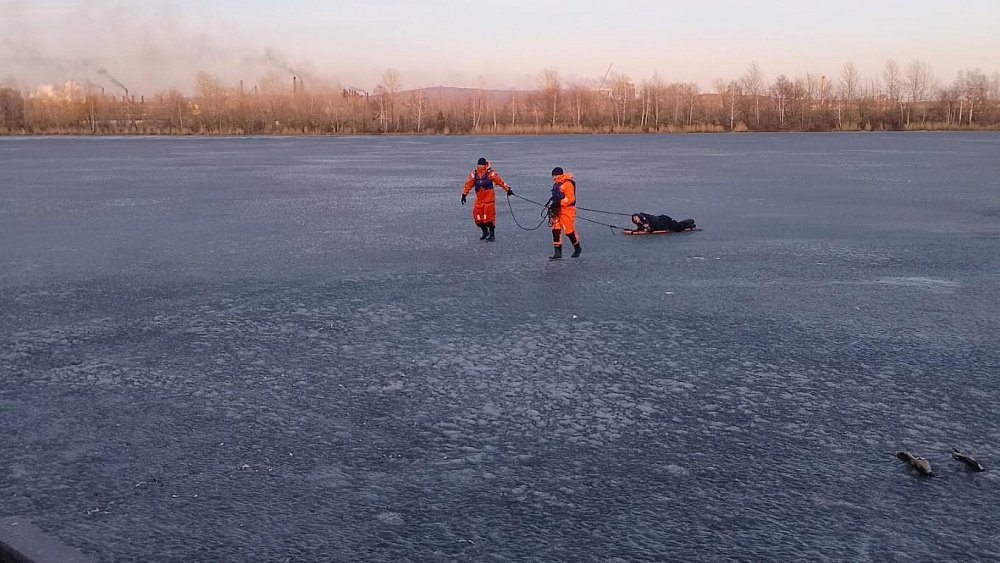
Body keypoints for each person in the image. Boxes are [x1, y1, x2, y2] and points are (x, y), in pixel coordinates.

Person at [462, 157, 513, 242]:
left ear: (485, 165)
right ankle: (485, 232)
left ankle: (492, 235)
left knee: (489, 219)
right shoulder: (474, 175)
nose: (480, 166)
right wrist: (464, 194)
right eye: (479, 165)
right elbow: (468, 184)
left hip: (489, 200)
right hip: (479, 200)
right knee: (478, 219)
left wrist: (508, 189)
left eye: (481, 165)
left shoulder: (490, 174)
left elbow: (500, 181)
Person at [546, 167, 581, 260]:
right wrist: (553, 205)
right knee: (555, 230)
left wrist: (560, 203)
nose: (554, 177)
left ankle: (577, 248)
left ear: (561, 174)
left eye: (555, 175)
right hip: (557, 210)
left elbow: (571, 198)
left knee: (569, 231)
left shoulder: (568, 184)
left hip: (568, 210)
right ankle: (557, 253)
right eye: (553, 175)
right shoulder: (557, 184)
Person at [630, 212, 697, 233]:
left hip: (665, 220)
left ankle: (690, 223)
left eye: (636, 218)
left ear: (639, 217)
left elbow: (648, 224)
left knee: (678, 228)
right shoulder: (641, 223)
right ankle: (690, 224)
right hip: (663, 225)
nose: (635, 219)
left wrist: (647, 227)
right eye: (634, 219)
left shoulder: (645, 218)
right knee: (677, 228)